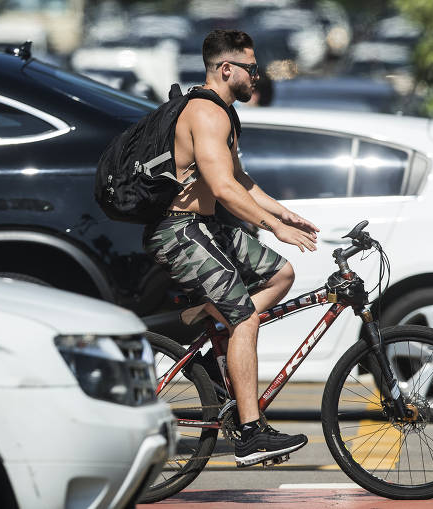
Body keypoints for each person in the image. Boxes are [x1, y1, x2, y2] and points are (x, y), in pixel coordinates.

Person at [143, 29, 319, 467]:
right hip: (178, 231)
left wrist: (284, 215)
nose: (257, 77)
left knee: (281, 274)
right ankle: (250, 433)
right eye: (251, 69)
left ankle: (214, 317)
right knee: (245, 317)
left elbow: (240, 181)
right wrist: (271, 227)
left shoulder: (224, 113)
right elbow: (222, 189)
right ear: (227, 69)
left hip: (202, 226)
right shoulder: (205, 114)